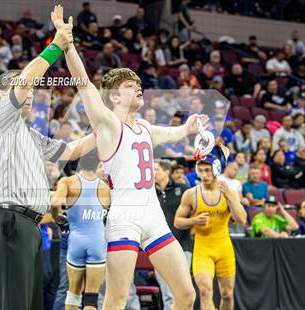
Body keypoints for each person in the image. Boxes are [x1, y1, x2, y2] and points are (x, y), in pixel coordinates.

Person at [53, 6, 200, 309]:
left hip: (153, 214)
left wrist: (187, 128)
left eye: (139, 84)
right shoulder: (108, 125)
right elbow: (84, 84)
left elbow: (169, 135)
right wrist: (68, 46)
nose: (139, 87)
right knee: (117, 298)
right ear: (115, 97)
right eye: (130, 86)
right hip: (124, 218)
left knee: (186, 294)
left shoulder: (144, 126)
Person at [0, 12, 95, 310]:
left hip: (30, 224)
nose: (29, 94)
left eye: (31, 91)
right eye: (22, 89)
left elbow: (72, 150)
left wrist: (110, 124)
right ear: (2, 97)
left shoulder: (30, 134)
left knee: (31, 304)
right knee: (16, 303)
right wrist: (56, 45)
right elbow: (29, 76)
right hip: (9, 218)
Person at [175, 156, 247, 310]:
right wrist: (194, 221)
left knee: (227, 294)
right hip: (203, 249)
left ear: (216, 170)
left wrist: (231, 199)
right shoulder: (191, 194)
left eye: (207, 170)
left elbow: (242, 220)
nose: (203, 175)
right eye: (200, 171)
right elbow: (177, 222)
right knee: (205, 290)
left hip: (224, 248)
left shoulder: (229, 192)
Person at [51, 150, 110, 310]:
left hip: (76, 240)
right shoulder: (105, 187)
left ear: (79, 162)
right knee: (91, 296)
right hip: (98, 241)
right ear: (97, 163)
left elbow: (55, 203)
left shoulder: (68, 182)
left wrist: (57, 219)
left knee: (73, 292)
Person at [153, 159, 191, 310]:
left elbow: (193, 214)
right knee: (166, 292)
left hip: (182, 245)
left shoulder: (183, 189)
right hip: (159, 247)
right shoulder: (148, 193)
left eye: (156, 169)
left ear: (166, 171)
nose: (152, 172)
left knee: (183, 291)